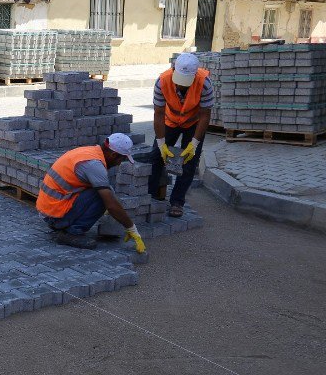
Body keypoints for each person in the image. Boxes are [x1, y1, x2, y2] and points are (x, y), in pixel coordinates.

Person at [36, 132, 147, 253]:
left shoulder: (90, 151)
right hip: (54, 216)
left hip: (50, 210)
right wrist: (131, 228)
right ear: (114, 155)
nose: (119, 163)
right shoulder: (94, 165)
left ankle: (67, 225)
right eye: (122, 159)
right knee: (103, 196)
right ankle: (71, 233)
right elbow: (111, 205)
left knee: (105, 190)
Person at [148, 52, 214, 217]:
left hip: (193, 123)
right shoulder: (162, 82)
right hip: (170, 121)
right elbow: (158, 113)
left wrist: (194, 144)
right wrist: (162, 143)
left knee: (189, 161)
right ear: (173, 69)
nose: (182, 86)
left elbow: (205, 115)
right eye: (179, 81)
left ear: (194, 74)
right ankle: (151, 195)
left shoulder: (205, 83)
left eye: (186, 83)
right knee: (156, 156)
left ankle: (177, 201)